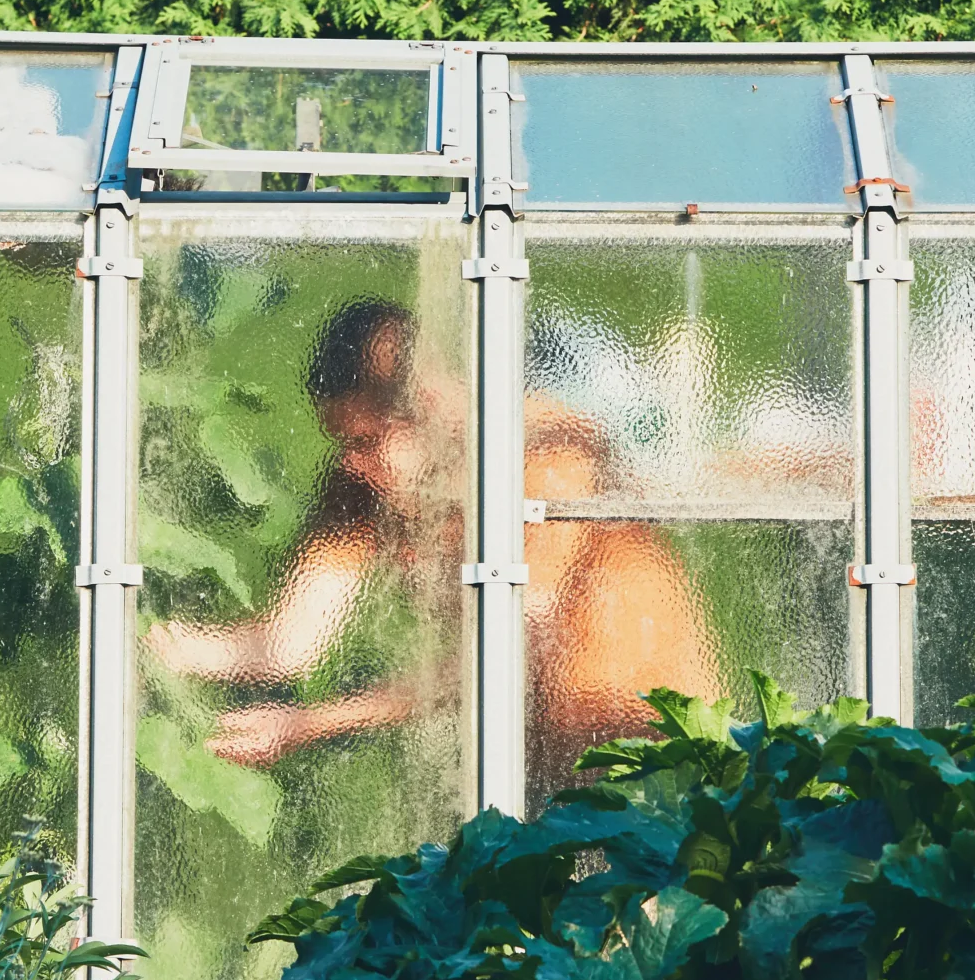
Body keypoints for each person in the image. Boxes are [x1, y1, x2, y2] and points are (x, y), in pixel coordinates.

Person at [143, 299, 722, 782]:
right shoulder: (365, 479)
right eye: (343, 442)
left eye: (367, 440)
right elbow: (287, 646)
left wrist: (313, 722)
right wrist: (157, 644)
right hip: (541, 765)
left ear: (430, 409)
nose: (352, 465)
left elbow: (511, 645)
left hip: (654, 750)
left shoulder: (547, 453)